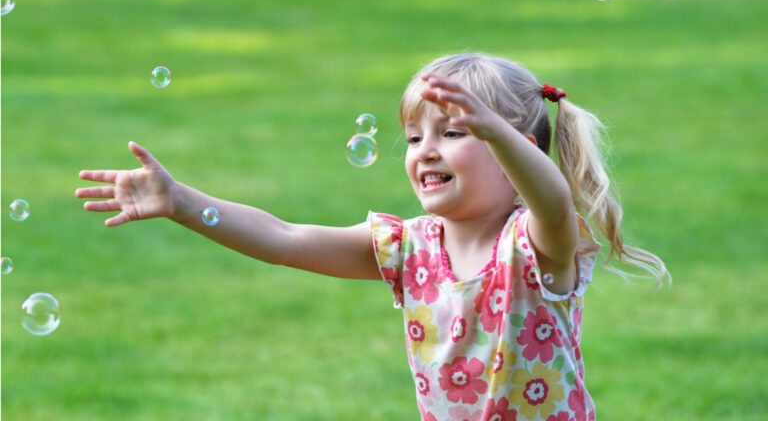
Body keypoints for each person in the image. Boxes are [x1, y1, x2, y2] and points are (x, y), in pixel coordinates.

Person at [76, 53, 669, 420]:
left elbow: (554, 200)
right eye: (414, 138)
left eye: (455, 132)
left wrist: (497, 132)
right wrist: (180, 202)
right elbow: (284, 237)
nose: (426, 150)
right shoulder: (408, 248)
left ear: (520, 153)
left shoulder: (537, 245)